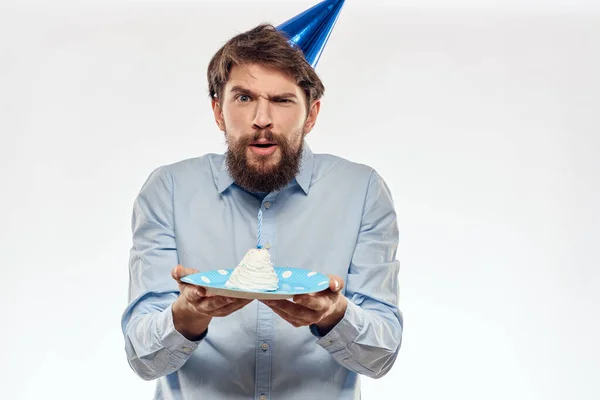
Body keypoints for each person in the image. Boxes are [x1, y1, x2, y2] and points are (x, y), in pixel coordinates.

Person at [121, 22, 403, 400]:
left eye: (282, 100)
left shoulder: (362, 191)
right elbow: (142, 358)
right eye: (243, 98)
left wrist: (333, 314)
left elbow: (382, 355)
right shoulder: (168, 191)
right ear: (218, 111)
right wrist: (188, 315)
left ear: (312, 114)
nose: (261, 119)